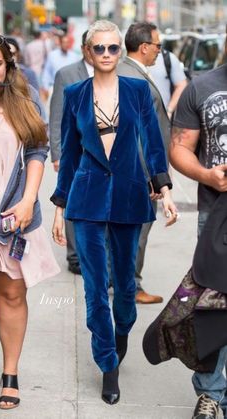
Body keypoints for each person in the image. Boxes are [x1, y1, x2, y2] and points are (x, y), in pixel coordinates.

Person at [51, 19, 177, 405]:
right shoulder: (75, 94)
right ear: (88, 53)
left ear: (119, 52)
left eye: (112, 48)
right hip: (87, 198)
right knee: (94, 288)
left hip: (128, 194)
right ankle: (107, 363)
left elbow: (154, 144)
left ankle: (122, 332)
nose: (106, 54)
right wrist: (60, 208)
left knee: (124, 287)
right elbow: (71, 155)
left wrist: (165, 189)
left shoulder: (138, 90)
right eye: (98, 48)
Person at [0, 34, 59, 410]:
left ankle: (10, 373)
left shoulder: (22, 96)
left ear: (7, 64)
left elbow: (36, 147)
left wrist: (29, 200)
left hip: (12, 214)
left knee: (12, 294)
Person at [169, 39, 227, 419]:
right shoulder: (202, 86)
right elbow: (179, 149)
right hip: (216, 216)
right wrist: (206, 174)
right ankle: (211, 396)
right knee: (212, 309)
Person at [117, 22, 170, 304]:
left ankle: (123, 282)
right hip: (139, 175)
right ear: (145, 47)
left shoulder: (126, 72)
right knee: (136, 232)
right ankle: (131, 287)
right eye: (158, 45)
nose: (160, 52)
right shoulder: (131, 77)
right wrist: (150, 176)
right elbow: (135, 135)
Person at [49, 31, 93, 275]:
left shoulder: (113, 73)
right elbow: (57, 115)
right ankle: (75, 256)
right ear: (85, 48)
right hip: (74, 150)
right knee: (71, 199)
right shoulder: (66, 74)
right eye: (95, 47)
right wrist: (57, 152)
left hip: (102, 153)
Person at [149, 47, 187, 120]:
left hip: (162, 118)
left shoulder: (167, 58)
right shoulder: (130, 59)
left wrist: (169, 110)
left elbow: (181, 85)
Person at [41, 33, 78, 99]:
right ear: (60, 43)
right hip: (54, 88)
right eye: (64, 42)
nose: (66, 44)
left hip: (70, 89)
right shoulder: (52, 55)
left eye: (67, 42)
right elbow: (47, 71)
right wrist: (46, 87)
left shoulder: (74, 56)